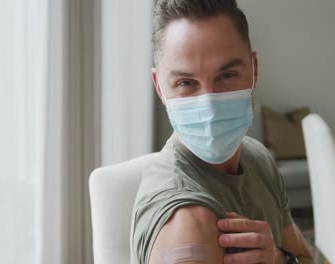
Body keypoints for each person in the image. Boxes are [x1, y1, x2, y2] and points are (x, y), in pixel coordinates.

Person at [131, 0, 314, 263]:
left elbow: (308, 258)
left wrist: (278, 258)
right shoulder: (186, 221)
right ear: (160, 87)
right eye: (186, 82)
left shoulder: (258, 159)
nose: (209, 106)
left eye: (226, 75)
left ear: (254, 71)